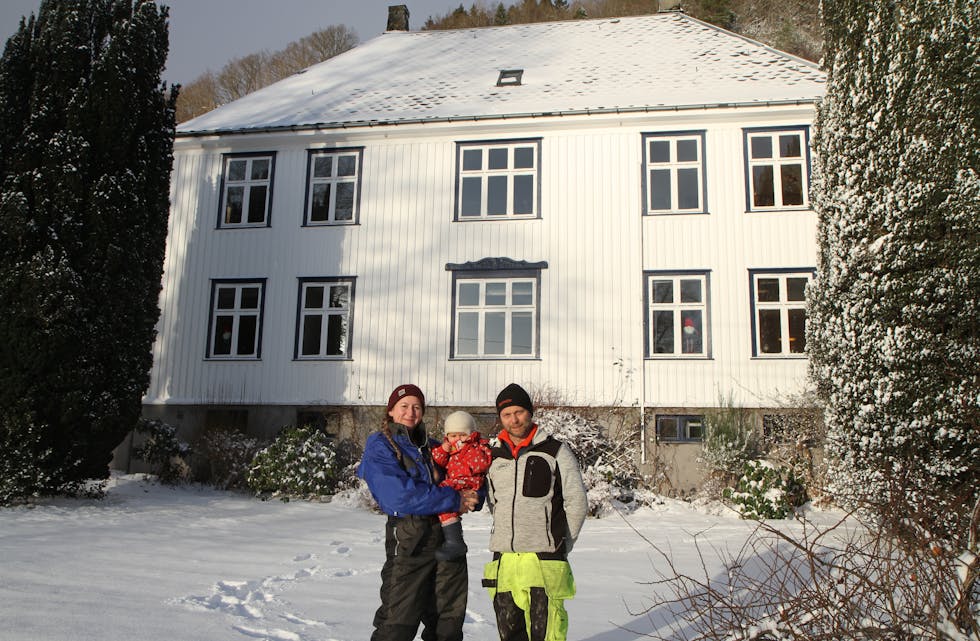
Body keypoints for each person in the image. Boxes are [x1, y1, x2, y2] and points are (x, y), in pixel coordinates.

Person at [357, 384, 480, 641]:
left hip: (447, 539)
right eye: (403, 406)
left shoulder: (435, 447)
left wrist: (474, 494)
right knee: (397, 625)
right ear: (391, 411)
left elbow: (465, 473)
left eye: (416, 407)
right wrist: (453, 499)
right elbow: (398, 496)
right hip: (410, 543)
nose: (410, 412)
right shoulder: (381, 445)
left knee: (447, 625)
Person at [482, 383, 588, 641]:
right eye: (507, 415)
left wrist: (561, 543)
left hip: (543, 561)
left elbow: (576, 501)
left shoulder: (555, 451)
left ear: (530, 412)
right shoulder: (493, 456)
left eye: (519, 412)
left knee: (547, 635)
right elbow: (494, 502)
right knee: (510, 635)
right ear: (500, 418)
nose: (514, 420)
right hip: (504, 561)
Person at [430, 410, 492, 561]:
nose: (457, 439)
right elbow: (438, 461)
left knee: (443, 491)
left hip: (470, 481)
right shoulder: (448, 448)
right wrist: (443, 450)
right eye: (453, 436)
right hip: (456, 482)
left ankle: (455, 542)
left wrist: (468, 450)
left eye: (462, 435)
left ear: (471, 435)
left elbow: (482, 464)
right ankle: (454, 540)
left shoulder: (477, 447)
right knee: (445, 504)